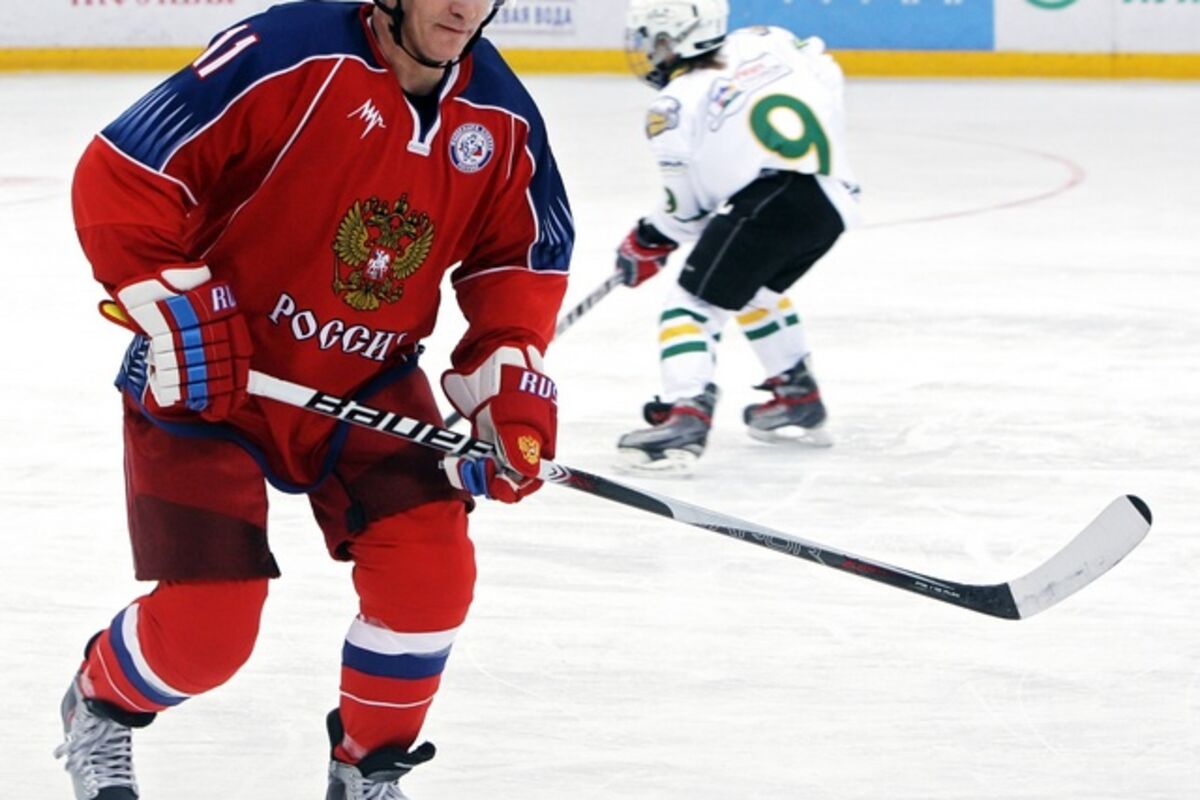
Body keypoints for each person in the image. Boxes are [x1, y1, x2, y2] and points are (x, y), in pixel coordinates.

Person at [54, 0, 572, 797]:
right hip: (216, 374)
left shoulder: (504, 118)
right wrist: (175, 305)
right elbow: (125, 173)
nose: (464, 8)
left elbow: (519, 267)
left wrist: (508, 401)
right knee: (207, 633)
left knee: (431, 576)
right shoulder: (284, 51)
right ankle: (100, 701)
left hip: (369, 378)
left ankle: (367, 765)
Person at [613, 0, 860, 473]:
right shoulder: (766, 41)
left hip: (771, 199)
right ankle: (796, 395)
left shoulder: (671, 106)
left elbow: (686, 213)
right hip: (833, 197)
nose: (651, 51)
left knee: (692, 305)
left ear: (676, 38)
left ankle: (685, 415)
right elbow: (827, 70)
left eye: (655, 41)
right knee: (752, 291)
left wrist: (647, 239)